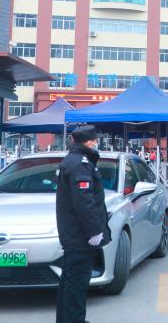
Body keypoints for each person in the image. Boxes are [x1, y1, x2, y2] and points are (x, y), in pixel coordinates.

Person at [55, 126, 111, 323]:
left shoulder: (73, 160)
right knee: (77, 283)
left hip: (73, 233)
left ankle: (66, 319)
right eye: (95, 141)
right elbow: (84, 202)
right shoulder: (80, 164)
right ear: (89, 142)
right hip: (79, 235)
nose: (97, 144)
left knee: (69, 280)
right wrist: (94, 230)